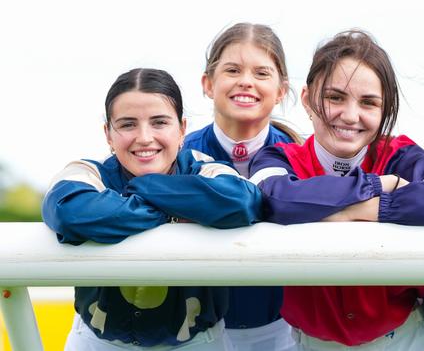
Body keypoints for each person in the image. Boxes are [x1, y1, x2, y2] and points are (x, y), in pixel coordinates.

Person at [249, 30, 424, 350]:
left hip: (405, 340)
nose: (350, 116)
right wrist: (378, 184)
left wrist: (367, 210)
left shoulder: (399, 156)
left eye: (368, 103)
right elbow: (272, 199)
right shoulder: (278, 157)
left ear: (384, 108)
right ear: (307, 99)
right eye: (335, 97)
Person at [42, 68, 263, 350]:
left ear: (182, 129)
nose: (144, 137)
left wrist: (141, 189)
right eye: (127, 124)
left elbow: (243, 201)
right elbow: (67, 210)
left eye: (159, 122)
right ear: (108, 134)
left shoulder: (205, 168)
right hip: (97, 342)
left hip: (198, 342)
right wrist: (173, 213)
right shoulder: (87, 172)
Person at [182, 23, 300, 351]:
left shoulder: (300, 158)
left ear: (280, 89)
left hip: (284, 331)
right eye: (232, 70)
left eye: (262, 73)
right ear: (208, 83)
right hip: (198, 332)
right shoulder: (176, 157)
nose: (246, 81)